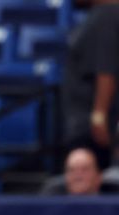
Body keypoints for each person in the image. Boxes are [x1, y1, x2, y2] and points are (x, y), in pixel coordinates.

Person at [61, 0, 119, 169]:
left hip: (90, 125)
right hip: (83, 121)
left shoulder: (106, 15)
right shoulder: (99, 14)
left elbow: (106, 69)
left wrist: (99, 116)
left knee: (90, 181)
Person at [39, 147, 119, 194]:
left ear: (98, 176)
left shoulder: (113, 204)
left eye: (85, 169)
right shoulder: (52, 207)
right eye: (71, 170)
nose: (78, 175)